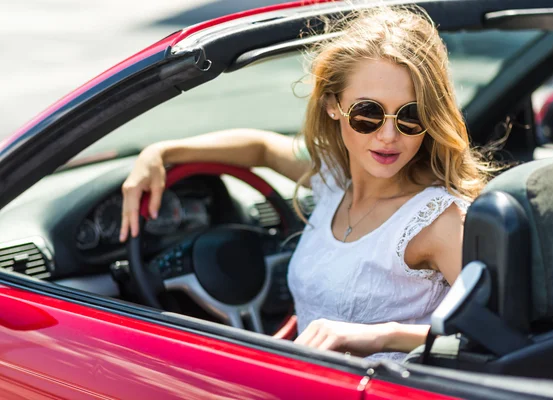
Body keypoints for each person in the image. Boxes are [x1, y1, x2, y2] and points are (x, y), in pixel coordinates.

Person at [119, 5, 491, 361]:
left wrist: (383, 335)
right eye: (367, 114)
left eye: (411, 116)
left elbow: (492, 334)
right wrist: (162, 152)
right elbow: (261, 148)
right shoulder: (332, 178)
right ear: (333, 105)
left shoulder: (439, 221)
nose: (388, 136)